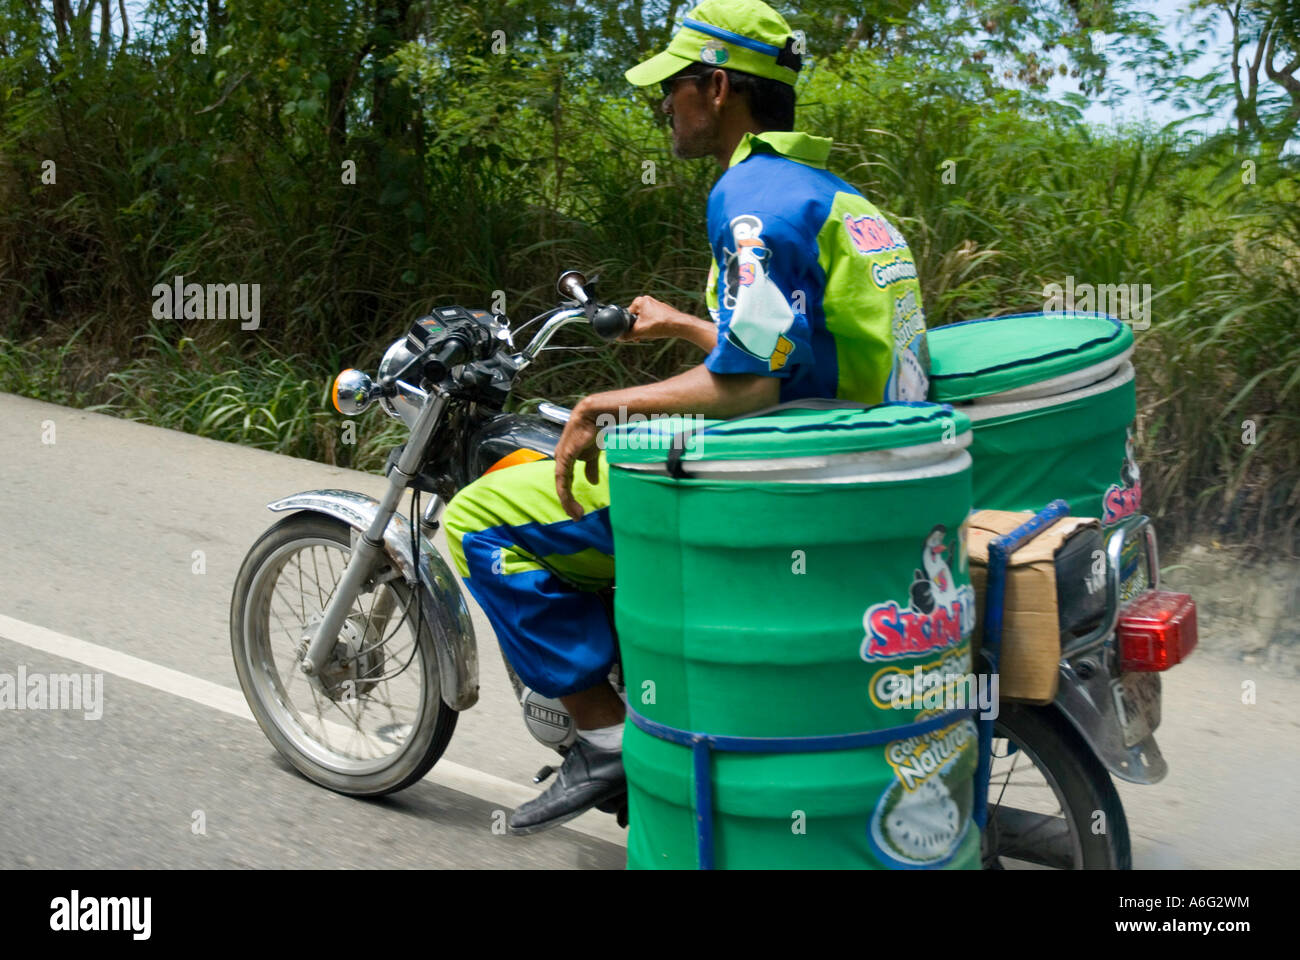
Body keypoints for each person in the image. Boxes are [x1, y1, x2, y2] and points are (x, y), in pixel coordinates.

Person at [443, 0, 930, 835]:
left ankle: (599, 737)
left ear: (716, 86)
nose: (663, 106)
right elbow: (798, 356)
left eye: (670, 88)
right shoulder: (831, 196)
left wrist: (607, 402)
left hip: (781, 488)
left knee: (478, 519)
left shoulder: (748, 198)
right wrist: (686, 326)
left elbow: (750, 388)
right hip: (861, 470)